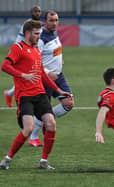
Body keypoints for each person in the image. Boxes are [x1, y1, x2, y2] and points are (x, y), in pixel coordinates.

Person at [0, 20, 72, 170]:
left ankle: (43, 161)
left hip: (40, 94)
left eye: (39, 34)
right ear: (27, 33)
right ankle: (7, 159)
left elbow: (42, 75)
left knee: (51, 124)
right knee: (28, 128)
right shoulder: (17, 47)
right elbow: (5, 66)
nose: (39, 37)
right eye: (36, 34)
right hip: (24, 96)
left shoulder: (36, 50)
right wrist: (22, 75)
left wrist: (58, 90)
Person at [28, 10, 75, 147]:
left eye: (56, 20)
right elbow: (34, 59)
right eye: (51, 20)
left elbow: (54, 51)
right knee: (43, 109)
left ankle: (44, 122)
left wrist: (60, 60)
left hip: (59, 76)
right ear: (45, 21)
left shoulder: (54, 33)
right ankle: (33, 136)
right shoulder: (41, 38)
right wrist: (47, 72)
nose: (54, 23)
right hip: (45, 78)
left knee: (69, 103)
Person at [4, 5, 42, 107]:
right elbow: (22, 39)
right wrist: (20, 52)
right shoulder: (28, 24)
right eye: (35, 11)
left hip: (37, 54)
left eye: (38, 11)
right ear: (31, 13)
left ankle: (10, 93)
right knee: (27, 79)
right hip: (26, 53)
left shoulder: (40, 24)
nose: (37, 13)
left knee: (34, 78)